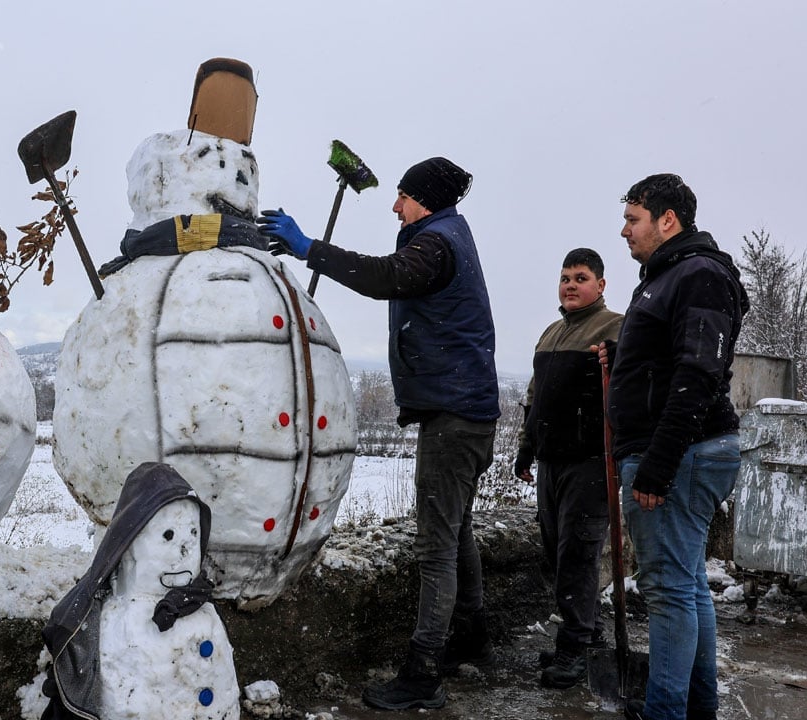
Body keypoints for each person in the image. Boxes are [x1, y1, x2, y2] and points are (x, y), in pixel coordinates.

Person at [258, 156, 498, 711]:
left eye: (403, 197)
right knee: (455, 530)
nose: (395, 206)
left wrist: (308, 248)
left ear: (426, 200)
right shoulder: (448, 235)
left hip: (454, 415)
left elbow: (386, 277)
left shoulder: (437, 243)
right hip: (468, 411)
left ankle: (423, 673)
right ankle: (472, 634)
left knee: (435, 547)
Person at [603, 174, 748, 720]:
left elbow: (697, 373)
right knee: (686, 586)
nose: (624, 231)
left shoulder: (697, 275)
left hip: (682, 453)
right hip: (684, 450)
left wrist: (658, 465)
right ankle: (696, 707)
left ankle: (667, 711)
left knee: (667, 593)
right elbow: (670, 364)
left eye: (633, 219)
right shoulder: (668, 277)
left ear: (669, 220)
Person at [514, 248, 622, 689]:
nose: (571, 285)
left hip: (591, 462)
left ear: (600, 284)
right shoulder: (551, 332)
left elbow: (630, 384)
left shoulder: (614, 328)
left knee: (577, 555)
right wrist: (525, 448)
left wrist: (615, 359)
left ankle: (574, 649)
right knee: (556, 551)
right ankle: (588, 632)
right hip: (551, 461)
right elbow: (535, 396)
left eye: (581, 277)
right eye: (565, 278)